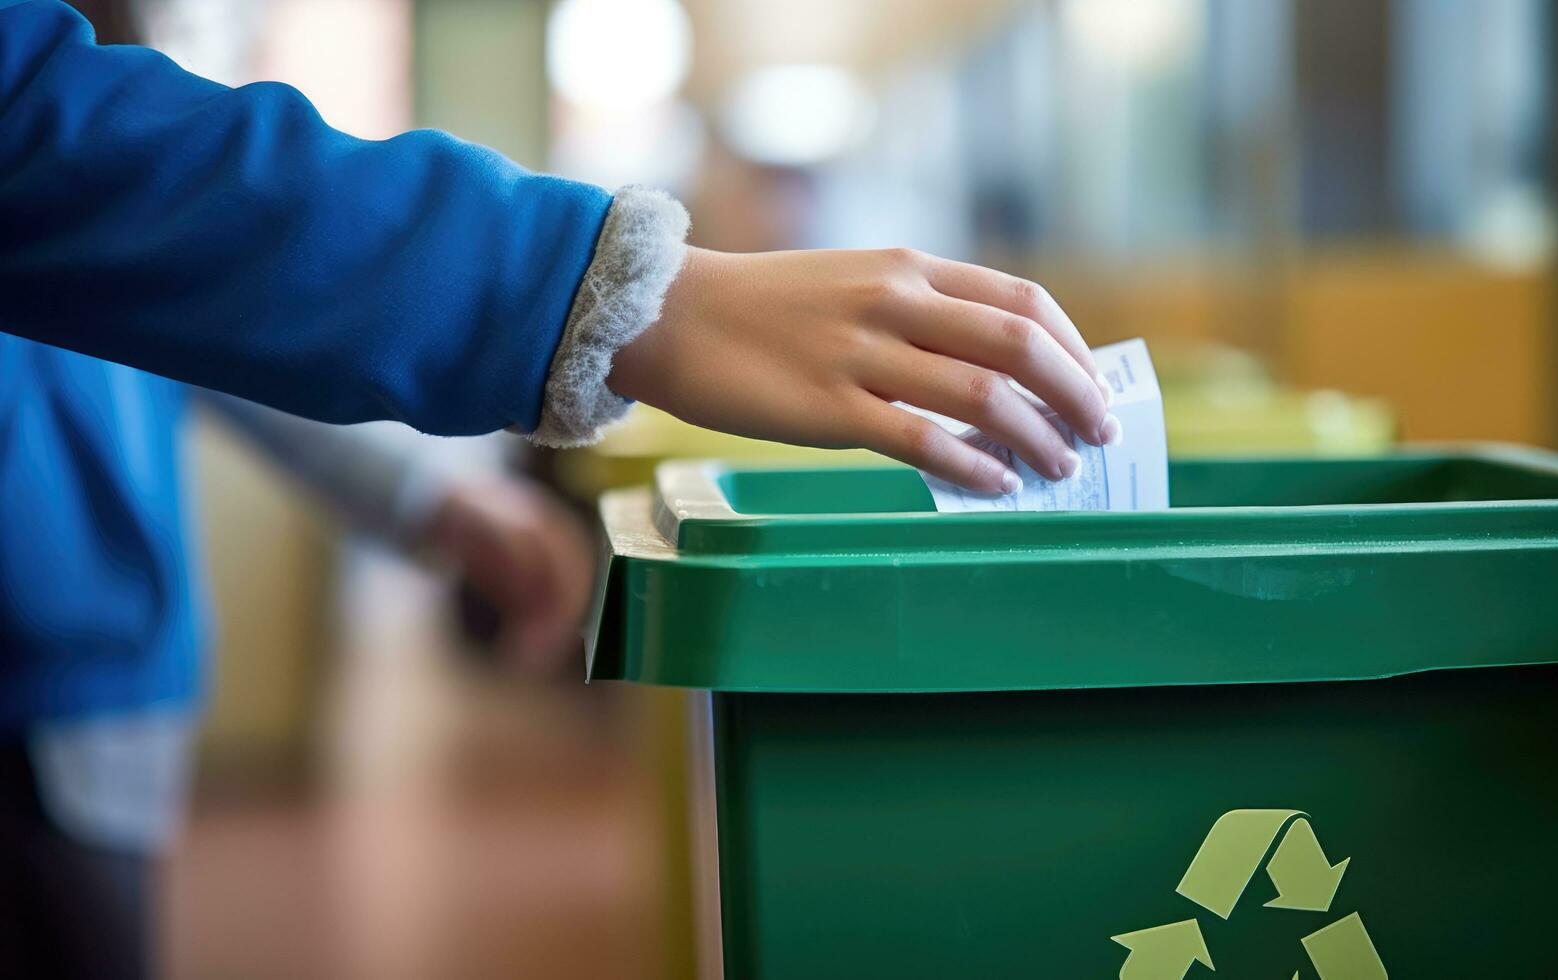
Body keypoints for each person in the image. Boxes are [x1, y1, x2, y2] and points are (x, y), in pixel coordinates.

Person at [0, 0, 1116, 975]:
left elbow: (162, 287)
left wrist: (421, 494)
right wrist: (621, 292)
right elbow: (60, 146)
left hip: (100, 634)